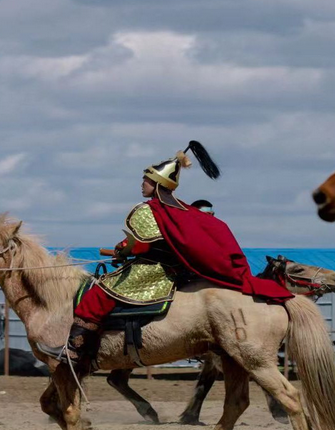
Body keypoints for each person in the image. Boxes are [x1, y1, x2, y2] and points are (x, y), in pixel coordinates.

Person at [38, 143, 292, 369]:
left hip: (150, 272)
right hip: (174, 270)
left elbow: (143, 245)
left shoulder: (149, 210)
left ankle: (73, 350)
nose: (141, 184)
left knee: (98, 295)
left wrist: (123, 250)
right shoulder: (181, 211)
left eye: (145, 180)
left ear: (157, 185)